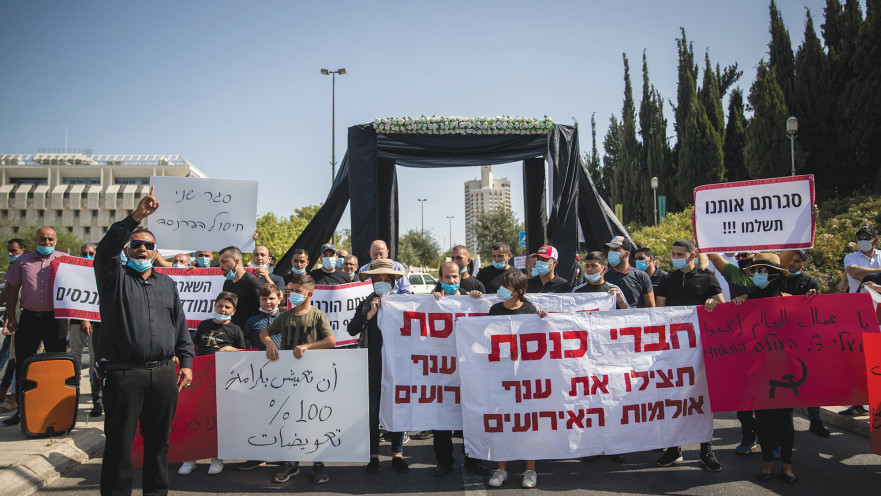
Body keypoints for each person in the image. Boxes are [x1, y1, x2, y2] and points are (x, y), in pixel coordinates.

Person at [95, 186, 194, 495]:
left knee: (158, 444)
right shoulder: (113, 277)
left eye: (147, 245)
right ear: (127, 249)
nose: (141, 249)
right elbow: (106, 249)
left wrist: (186, 362)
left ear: (155, 251)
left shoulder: (167, 284)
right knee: (120, 446)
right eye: (135, 244)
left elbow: (179, 326)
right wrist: (137, 216)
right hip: (124, 375)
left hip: (163, 375)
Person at [258, 273, 336, 485]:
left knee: (314, 420)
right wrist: (269, 343)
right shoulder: (285, 316)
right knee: (290, 419)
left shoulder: (317, 316)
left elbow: (331, 341)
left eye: (298, 292)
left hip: (313, 377)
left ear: (309, 293)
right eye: (291, 291)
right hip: (288, 376)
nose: (293, 294)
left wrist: (307, 346)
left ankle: (318, 463)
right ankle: (290, 463)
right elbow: (264, 333)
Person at [653, 239, 724, 472]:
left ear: (692, 256)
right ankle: (674, 449)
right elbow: (660, 313)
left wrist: (714, 302)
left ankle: (706, 449)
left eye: (679, 254)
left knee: (702, 400)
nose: (675, 258)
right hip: (674, 350)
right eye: (673, 254)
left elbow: (722, 308)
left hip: (700, 350)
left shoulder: (708, 278)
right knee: (673, 399)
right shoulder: (668, 280)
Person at [733, 253, 798, 484]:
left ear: (774, 274)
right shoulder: (746, 299)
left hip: (784, 370)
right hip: (758, 370)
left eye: (763, 271)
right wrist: (731, 305)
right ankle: (768, 463)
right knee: (763, 420)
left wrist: (812, 298)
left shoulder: (789, 299)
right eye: (756, 271)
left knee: (785, 421)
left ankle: (787, 466)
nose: (758, 275)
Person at [347, 259, 410, 475]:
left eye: (387, 279)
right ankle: (373, 455)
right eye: (378, 279)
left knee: (397, 410)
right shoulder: (365, 304)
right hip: (372, 365)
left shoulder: (403, 304)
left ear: (393, 282)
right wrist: (369, 315)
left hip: (396, 366)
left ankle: (397, 454)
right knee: (373, 413)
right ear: (372, 281)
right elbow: (352, 330)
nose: (382, 282)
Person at [486, 270, 546, 488]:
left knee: (528, 421)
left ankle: (530, 469)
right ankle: (501, 468)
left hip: (525, 375)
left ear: (519, 291)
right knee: (501, 420)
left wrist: (543, 319)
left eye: (507, 287)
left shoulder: (530, 310)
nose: (502, 290)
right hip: (500, 373)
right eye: (502, 285)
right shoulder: (494, 310)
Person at [2, 227, 67, 427]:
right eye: (43, 239)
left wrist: (83, 319)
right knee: (24, 365)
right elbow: (12, 290)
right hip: (29, 318)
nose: (46, 243)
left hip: (55, 319)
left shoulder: (65, 260)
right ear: (36, 240)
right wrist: (11, 316)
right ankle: (22, 411)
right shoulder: (22, 261)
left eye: (50, 239)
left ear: (56, 241)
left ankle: (55, 410)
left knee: (57, 365)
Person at [430, 262, 489, 476]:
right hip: (442, 371)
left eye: (455, 277)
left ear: (460, 277)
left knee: (471, 417)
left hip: (468, 368)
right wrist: (432, 301)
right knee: (442, 418)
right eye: (447, 277)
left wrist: (477, 300)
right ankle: (444, 462)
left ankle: (474, 460)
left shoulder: (471, 299)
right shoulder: (432, 301)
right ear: (440, 279)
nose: (452, 281)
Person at [178, 291, 245, 476]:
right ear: (214, 306)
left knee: (216, 421)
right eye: (220, 306)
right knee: (193, 417)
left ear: (233, 310)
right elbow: (194, 348)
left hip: (222, 380)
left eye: (227, 307)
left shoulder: (235, 330)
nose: (222, 309)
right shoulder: (204, 325)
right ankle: (189, 458)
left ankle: (217, 458)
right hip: (200, 378)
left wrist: (231, 349)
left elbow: (244, 353)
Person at [781, 250, 829, 437]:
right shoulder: (778, 280)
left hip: (804, 338)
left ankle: (815, 420)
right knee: (785, 380)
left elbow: (819, 309)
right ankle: (785, 423)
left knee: (809, 379)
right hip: (781, 338)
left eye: (797, 261)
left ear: (803, 264)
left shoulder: (810, 282)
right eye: (791, 260)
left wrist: (813, 298)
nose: (792, 263)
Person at [839, 225, 879, 416]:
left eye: (867, 237)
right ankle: (858, 404)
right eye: (860, 237)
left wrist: (869, 273)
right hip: (857, 312)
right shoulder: (851, 257)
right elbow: (854, 272)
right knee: (857, 358)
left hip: (879, 311)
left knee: (877, 359)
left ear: (875, 239)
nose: (863, 240)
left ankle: (876, 404)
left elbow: (862, 273)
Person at [68, 242, 103, 417]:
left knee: (94, 360)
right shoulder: (74, 271)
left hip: (96, 322)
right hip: (76, 322)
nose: (87, 256)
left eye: (91, 253)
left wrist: (88, 318)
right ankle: (72, 394)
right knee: (74, 357)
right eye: (84, 253)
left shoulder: (101, 270)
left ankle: (96, 398)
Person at [219, 246, 264, 330]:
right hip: (231, 331)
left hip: (247, 333)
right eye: (220, 262)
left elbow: (265, 307)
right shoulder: (227, 283)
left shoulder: (251, 282)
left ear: (237, 261)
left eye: (224, 262)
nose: (221, 266)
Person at [603, 236, 654, 308]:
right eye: (610, 250)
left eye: (615, 249)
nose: (611, 253)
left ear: (626, 254)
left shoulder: (641, 276)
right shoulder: (604, 277)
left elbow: (651, 308)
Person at [242, 284, 284, 350]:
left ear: (279, 299)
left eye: (271, 298)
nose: (268, 302)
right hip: (258, 356)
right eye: (264, 299)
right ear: (259, 300)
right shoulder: (252, 321)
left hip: (284, 355)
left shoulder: (285, 318)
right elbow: (247, 345)